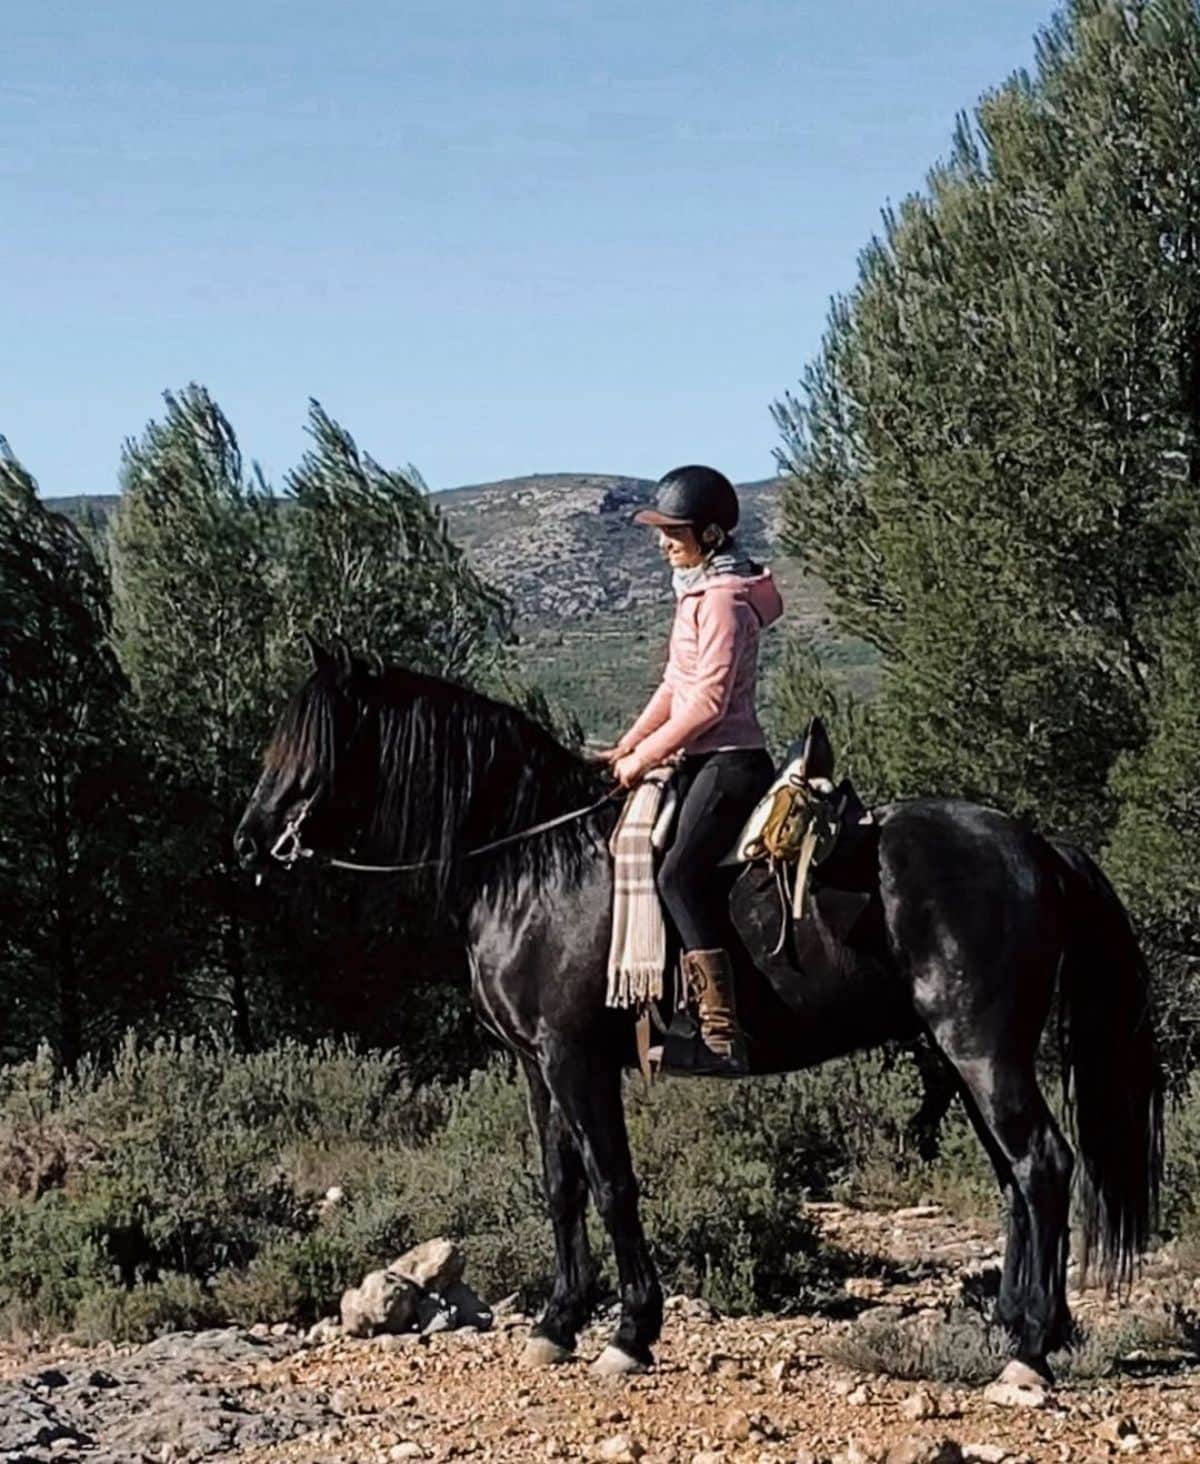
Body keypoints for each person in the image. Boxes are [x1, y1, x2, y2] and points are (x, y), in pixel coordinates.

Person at [599, 464, 783, 1076]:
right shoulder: (699, 593)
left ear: (708, 534)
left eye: (672, 530)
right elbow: (674, 685)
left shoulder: (726, 602)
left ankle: (720, 1029)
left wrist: (644, 759)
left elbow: (705, 703)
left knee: (679, 875)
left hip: (731, 762)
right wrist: (623, 748)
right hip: (700, 757)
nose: (662, 540)